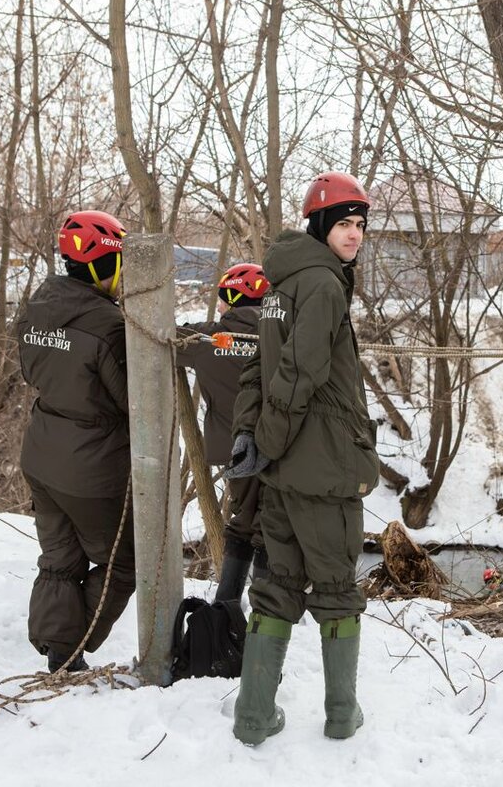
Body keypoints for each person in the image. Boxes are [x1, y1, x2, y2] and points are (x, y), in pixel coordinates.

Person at [223, 172, 380, 745]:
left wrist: (251, 439)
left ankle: (253, 715)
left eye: (360, 225)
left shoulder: (279, 282)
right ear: (319, 227)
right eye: (344, 224)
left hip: (284, 470)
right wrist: (268, 437)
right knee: (336, 586)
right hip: (321, 465)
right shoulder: (321, 285)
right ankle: (342, 716)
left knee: (279, 585)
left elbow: (254, 370)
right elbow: (298, 374)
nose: (355, 234)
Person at [17, 209, 136, 674]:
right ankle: (69, 649)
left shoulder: (38, 309)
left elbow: (31, 372)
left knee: (60, 559)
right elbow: (135, 401)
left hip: (42, 452)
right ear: (104, 265)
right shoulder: (107, 326)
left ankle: (56, 649)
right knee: (121, 564)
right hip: (92, 466)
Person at [175, 263, 271, 603]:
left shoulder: (209, 340)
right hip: (281, 446)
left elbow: (170, 337)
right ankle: (262, 608)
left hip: (236, 449)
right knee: (270, 525)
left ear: (232, 298)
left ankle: (228, 602)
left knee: (243, 521)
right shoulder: (284, 338)